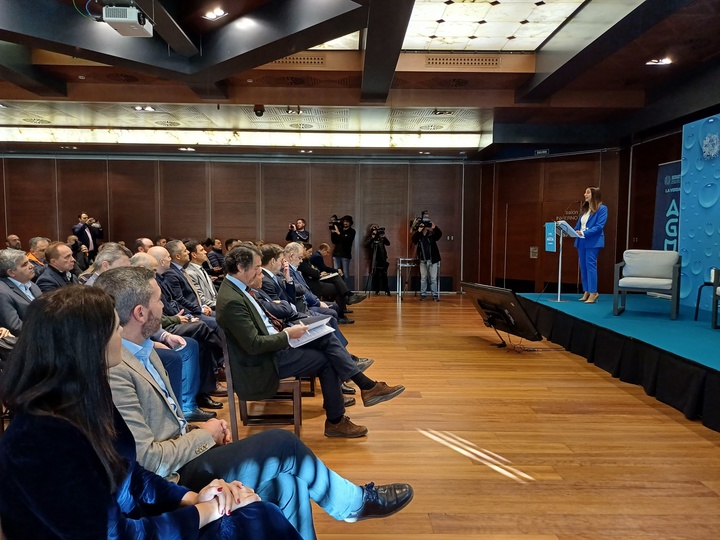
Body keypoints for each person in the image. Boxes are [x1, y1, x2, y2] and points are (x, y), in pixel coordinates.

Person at [94, 266, 414, 540]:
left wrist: (205, 431)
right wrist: (203, 434)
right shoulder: (117, 371)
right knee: (282, 442)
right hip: (173, 481)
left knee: (288, 484)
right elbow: (148, 461)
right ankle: (352, 503)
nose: (164, 306)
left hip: (189, 452)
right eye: (158, 300)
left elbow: (166, 423)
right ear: (140, 313)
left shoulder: (144, 348)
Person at [0, 286, 301, 539]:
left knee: (262, 509)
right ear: (88, 344)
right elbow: (115, 533)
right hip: (127, 530)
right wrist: (208, 511)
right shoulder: (40, 436)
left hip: (136, 519)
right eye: (114, 328)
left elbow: (129, 473)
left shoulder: (86, 396)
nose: (120, 334)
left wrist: (193, 498)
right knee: (259, 515)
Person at [216, 245, 406, 438]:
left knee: (324, 335)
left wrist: (288, 331)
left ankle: (356, 398)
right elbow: (254, 345)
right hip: (262, 363)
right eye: (256, 268)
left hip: (273, 345)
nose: (260, 273)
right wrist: (289, 335)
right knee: (326, 357)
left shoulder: (237, 288)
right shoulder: (233, 299)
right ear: (241, 267)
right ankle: (348, 407)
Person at [574, 186, 608, 304]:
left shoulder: (602, 209)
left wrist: (583, 232)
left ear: (594, 195)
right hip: (581, 241)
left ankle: (593, 292)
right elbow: (578, 225)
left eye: (587, 193)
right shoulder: (585, 209)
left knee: (590, 266)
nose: (585, 194)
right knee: (583, 267)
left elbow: (599, 227)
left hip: (593, 241)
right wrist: (573, 231)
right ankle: (587, 290)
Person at [0, 248, 40, 335]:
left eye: (29, 261)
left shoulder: (32, 284)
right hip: (29, 341)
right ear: (11, 272)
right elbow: (15, 327)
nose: (31, 265)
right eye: (25, 264)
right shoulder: (2, 293)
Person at [411, 211, 442, 301]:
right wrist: (418, 231)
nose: (425, 228)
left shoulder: (432, 235)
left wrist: (434, 227)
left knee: (433, 278)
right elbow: (414, 240)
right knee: (423, 278)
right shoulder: (420, 236)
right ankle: (423, 295)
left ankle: (435, 295)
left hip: (433, 260)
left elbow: (439, 235)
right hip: (423, 260)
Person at [364, 225, 391, 296]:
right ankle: (377, 290)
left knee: (384, 275)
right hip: (374, 259)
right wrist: (372, 238)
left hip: (382, 258)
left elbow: (388, 243)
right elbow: (365, 245)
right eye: (374, 230)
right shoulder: (370, 237)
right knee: (375, 276)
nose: (375, 231)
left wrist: (383, 237)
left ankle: (387, 290)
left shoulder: (381, 237)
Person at [330, 215, 355, 287]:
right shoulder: (340, 230)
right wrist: (333, 233)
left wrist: (339, 233)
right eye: (344, 221)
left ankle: (346, 290)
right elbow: (334, 241)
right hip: (336, 254)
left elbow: (347, 240)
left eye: (347, 221)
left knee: (346, 274)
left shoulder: (352, 231)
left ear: (350, 223)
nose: (345, 223)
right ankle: (337, 290)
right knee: (336, 273)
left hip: (345, 255)